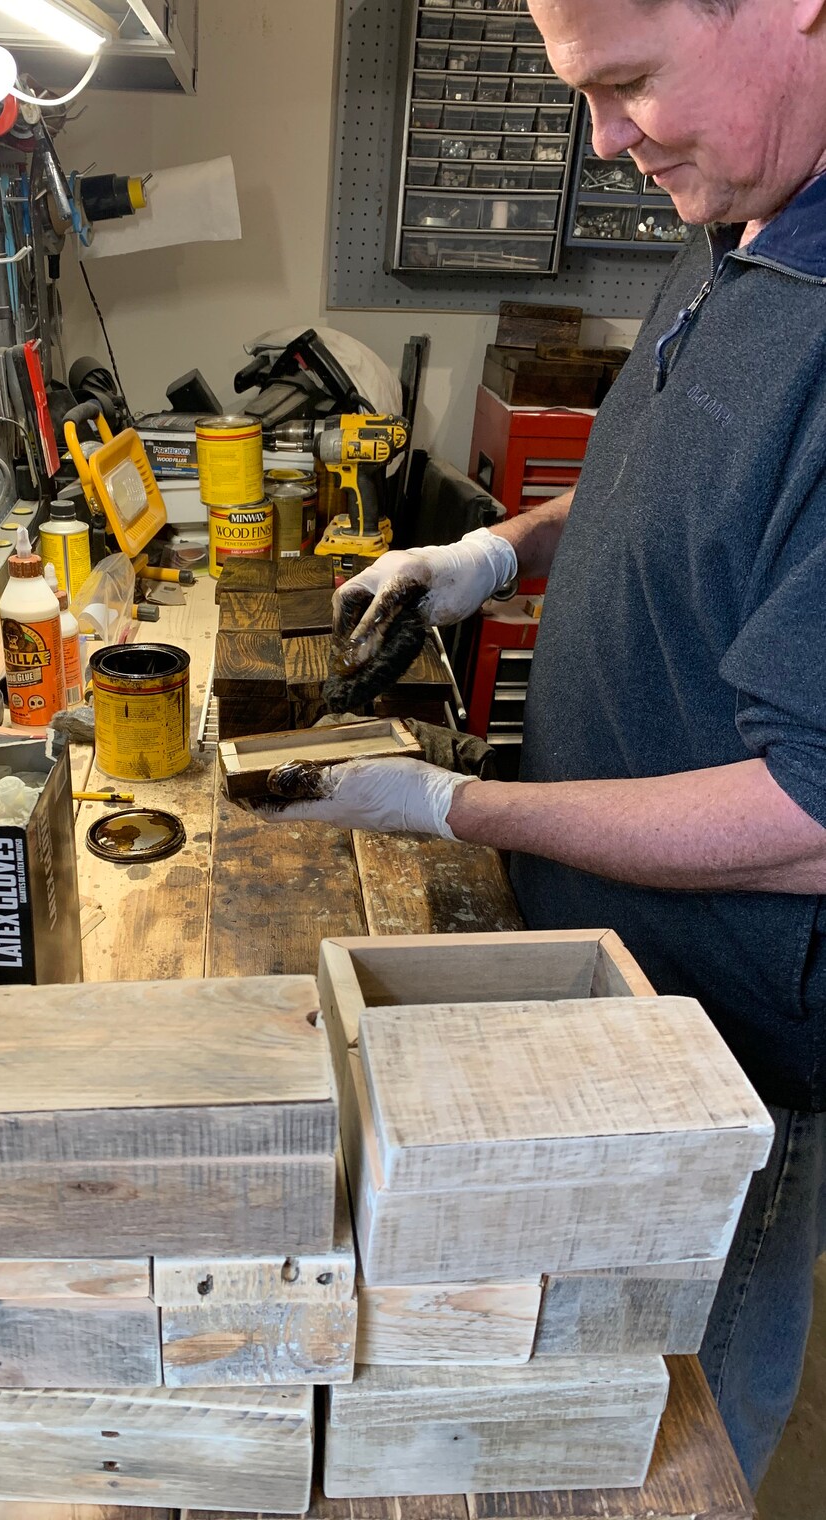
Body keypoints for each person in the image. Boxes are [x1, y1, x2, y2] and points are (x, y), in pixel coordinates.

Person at [268, 0, 826, 1490]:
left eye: (631, 82)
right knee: (521, 1373)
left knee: (661, 1426)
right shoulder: (746, 213)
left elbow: (806, 816)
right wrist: (495, 556)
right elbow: (676, 510)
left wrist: (464, 809)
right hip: (598, 945)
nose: (607, 140)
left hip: (725, 1040)